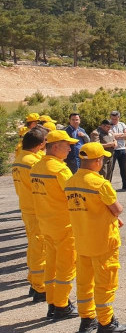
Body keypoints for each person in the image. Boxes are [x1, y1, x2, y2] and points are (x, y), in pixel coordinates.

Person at [65, 142, 126, 333]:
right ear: (96, 161)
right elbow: (117, 209)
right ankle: (106, 323)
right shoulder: (100, 184)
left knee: (85, 283)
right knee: (105, 284)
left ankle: (87, 320)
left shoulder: (70, 182)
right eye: (102, 159)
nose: (103, 162)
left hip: (82, 240)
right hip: (103, 242)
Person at [31, 129, 80, 320]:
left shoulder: (37, 167)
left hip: (46, 224)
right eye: (67, 145)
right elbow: (73, 194)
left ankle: (52, 302)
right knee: (66, 267)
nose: (70, 148)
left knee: (51, 265)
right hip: (64, 225)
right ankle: (62, 305)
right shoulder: (60, 169)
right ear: (55, 146)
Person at [12, 126, 48, 303]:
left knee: (34, 246)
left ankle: (34, 283)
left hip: (27, 208)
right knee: (40, 248)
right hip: (36, 210)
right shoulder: (33, 163)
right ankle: (40, 287)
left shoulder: (20, 158)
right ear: (40, 145)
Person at [108, 111, 126, 190]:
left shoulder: (122, 124)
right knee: (110, 168)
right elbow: (110, 136)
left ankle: (125, 184)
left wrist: (116, 136)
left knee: (123, 168)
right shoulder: (108, 125)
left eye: (116, 119)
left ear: (118, 118)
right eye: (112, 119)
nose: (114, 120)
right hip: (113, 150)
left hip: (122, 149)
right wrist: (121, 135)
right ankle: (108, 185)